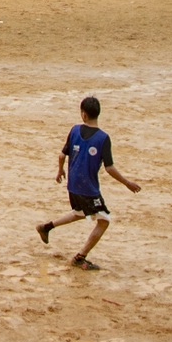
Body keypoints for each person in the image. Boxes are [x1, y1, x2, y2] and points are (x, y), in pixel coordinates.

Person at [36, 96, 140, 271]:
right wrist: (127, 183)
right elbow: (109, 168)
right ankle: (80, 257)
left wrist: (60, 170)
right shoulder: (103, 138)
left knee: (80, 212)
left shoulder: (74, 130)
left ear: (83, 114)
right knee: (104, 220)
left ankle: (46, 227)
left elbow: (62, 155)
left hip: (73, 184)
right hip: (88, 188)